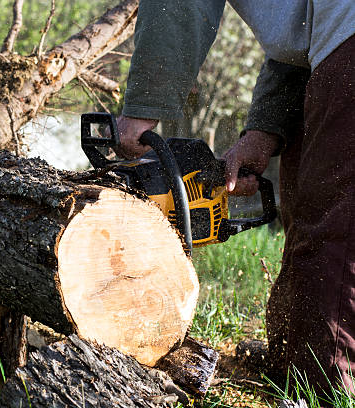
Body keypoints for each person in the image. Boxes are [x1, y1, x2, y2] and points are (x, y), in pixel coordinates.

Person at [116, 0, 355, 400]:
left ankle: (325, 388)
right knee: (310, 204)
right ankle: (296, 361)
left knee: (336, 228)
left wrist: (145, 107)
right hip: (332, 50)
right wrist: (263, 129)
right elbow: (305, 34)